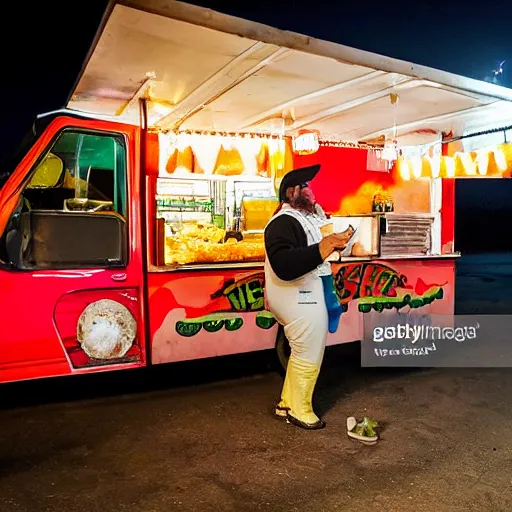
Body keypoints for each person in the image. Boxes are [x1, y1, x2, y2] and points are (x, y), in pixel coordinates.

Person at [264, 164, 358, 430]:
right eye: (306, 186)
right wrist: (324, 246)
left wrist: (335, 241)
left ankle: (286, 402)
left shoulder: (306, 217)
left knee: (301, 350)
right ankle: (300, 409)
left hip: (305, 293)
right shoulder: (283, 221)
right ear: (292, 193)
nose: (311, 190)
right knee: (309, 351)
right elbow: (282, 263)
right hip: (298, 296)